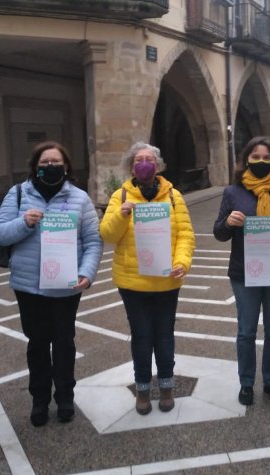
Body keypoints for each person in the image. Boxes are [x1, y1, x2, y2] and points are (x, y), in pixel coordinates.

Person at [0, 141, 102, 427]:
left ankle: (65, 397)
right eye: (44, 163)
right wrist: (24, 222)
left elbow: (92, 241)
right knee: (37, 343)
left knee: (64, 342)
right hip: (29, 287)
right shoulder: (18, 194)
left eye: (56, 162)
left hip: (66, 286)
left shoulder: (80, 198)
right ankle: (39, 400)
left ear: (66, 167)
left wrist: (87, 273)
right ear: (35, 167)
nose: (50, 166)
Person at [100, 142, 195, 415]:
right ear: (132, 167)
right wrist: (121, 215)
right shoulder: (120, 196)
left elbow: (186, 235)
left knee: (164, 335)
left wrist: (181, 262)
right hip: (133, 283)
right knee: (141, 337)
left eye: (149, 159)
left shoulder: (174, 196)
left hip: (166, 281)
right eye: (139, 160)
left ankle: (166, 386)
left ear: (158, 165)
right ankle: (142, 388)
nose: (144, 164)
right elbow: (107, 235)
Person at [213, 137, 270, 406]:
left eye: (266, 158)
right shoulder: (233, 192)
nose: (261, 162)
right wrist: (228, 223)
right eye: (255, 157)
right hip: (244, 272)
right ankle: (246, 383)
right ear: (246, 160)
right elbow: (219, 233)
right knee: (246, 331)